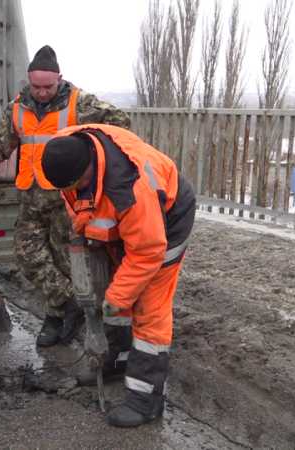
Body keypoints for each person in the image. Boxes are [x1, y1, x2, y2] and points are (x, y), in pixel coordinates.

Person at [0, 45, 130, 348]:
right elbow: (0, 146)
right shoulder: (18, 109)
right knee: (27, 255)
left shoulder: (79, 103)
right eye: (36, 86)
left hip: (66, 199)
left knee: (65, 259)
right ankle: (68, 306)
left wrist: (94, 158)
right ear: (29, 81)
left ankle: (58, 320)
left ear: (60, 80)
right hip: (31, 195)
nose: (42, 93)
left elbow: (120, 122)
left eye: (48, 86)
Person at [38, 124, 196, 427]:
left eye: (75, 184)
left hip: (165, 223)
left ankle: (145, 400)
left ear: (87, 168)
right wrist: (86, 236)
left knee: (147, 305)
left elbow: (148, 252)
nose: (70, 191)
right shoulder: (64, 149)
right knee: (111, 290)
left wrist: (116, 298)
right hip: (124, 223)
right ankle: (116, 360)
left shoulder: (131, 188)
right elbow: (77, 201)